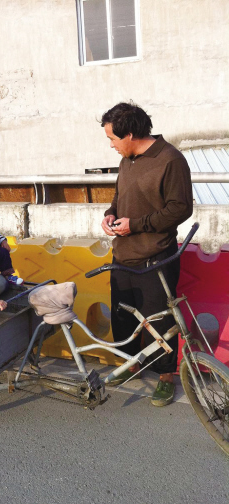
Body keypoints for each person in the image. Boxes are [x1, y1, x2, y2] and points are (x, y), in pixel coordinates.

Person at [100, 102, 193, 406]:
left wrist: (136, 225)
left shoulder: (170, 159)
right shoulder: (127, 160)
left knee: (159, 321)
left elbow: (181, 208)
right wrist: (110, 214)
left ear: (130, 134)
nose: (111, 145)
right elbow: (120, 196)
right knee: (123, 317)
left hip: (156, 257)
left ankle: (166, 376)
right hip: (122, 255)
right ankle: (131, 364)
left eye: (113, 138)